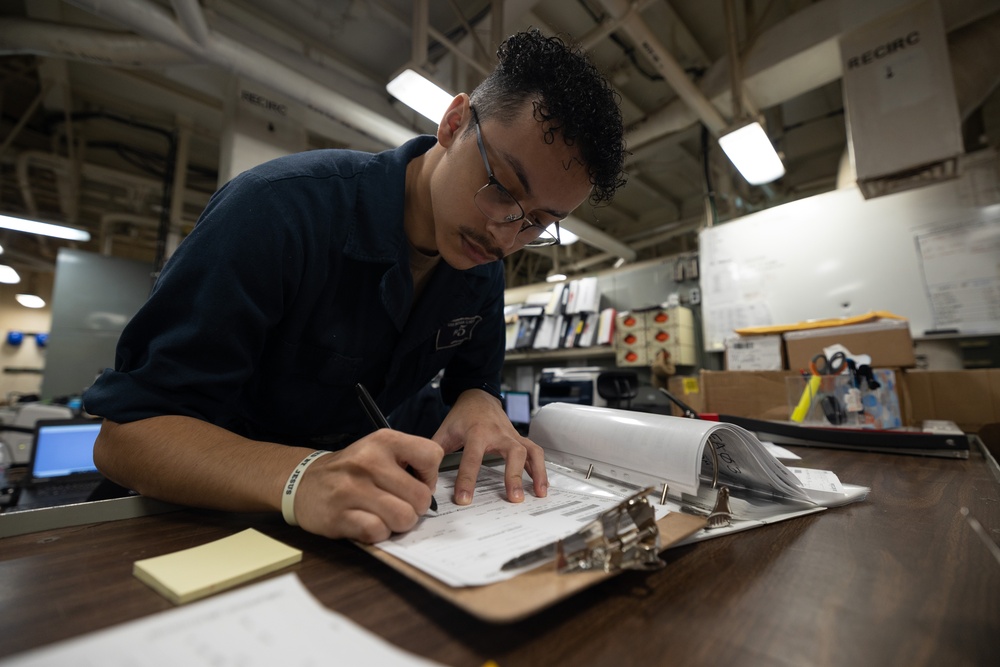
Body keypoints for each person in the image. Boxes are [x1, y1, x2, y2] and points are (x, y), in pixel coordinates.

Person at [82, 28, 627, 543]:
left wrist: (481, 400)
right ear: (454, 123)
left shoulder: (480, 268)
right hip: (184, 524)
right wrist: (301, 477)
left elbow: (472, 383)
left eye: (537, 223)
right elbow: (127, 436)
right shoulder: (276, 212)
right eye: (503, 188)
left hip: (343, 531)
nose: (505, 234)